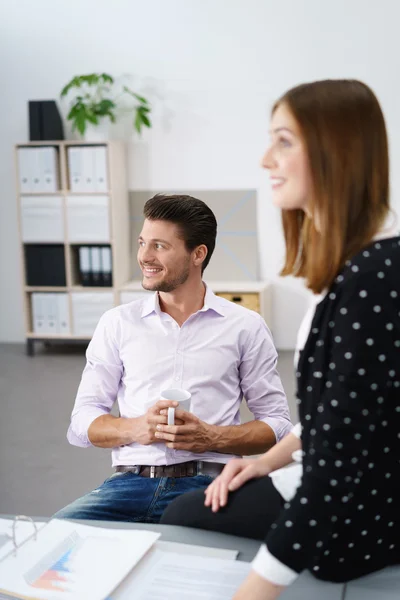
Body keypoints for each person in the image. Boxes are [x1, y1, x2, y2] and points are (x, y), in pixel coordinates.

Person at [161, 81, 400, 599]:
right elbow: (335, 419)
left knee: (186, 513)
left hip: (360, 517)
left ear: (336, 152)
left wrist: (254, 591)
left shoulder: (375, 278)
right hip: (338, 482)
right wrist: (267, 460)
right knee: (189, 506)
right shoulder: (353, 268)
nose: (266, 158)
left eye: (284, 141)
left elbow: (338, 467)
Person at [54, 194, 292, 523]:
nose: (144, 257)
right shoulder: (118, 323)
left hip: (210, 485)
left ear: (198, 254)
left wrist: (211, 436)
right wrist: (137, 428)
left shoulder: (245, 327)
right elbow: (82, 423)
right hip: (129, 484)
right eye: (142, 243)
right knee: (59, 540)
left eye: (160, 246)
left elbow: (278, 426)